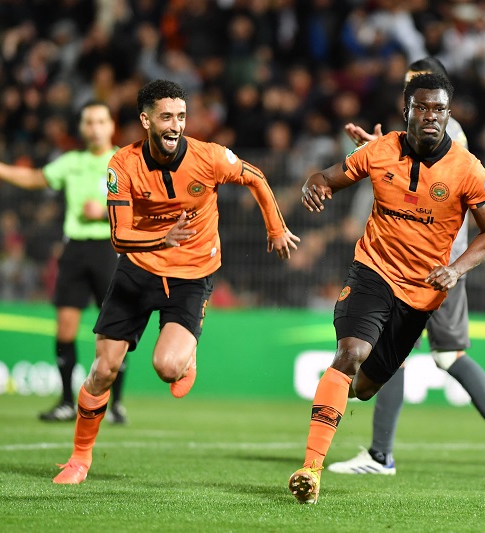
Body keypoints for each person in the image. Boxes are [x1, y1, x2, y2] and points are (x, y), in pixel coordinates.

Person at [52, 79, 299, 484]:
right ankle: (79, 459)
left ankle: (187, 349)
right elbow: (119, 236)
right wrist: (160, 239)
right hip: (137, 270)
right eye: (166, 117)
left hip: (192, 274)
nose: (175, 125)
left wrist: (276, 228)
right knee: (103, 370)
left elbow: (255, 176)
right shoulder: (122, 164)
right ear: (145, 120)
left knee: (167, 368)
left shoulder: (209, 157)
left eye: (181, 116)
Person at [289, 72, 485, 504]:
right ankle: (310, 469)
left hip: (421, 293)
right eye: (422, 107)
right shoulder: (380, 150)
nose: (431, 116)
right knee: (350, 353)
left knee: (363, 387)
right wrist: (315, 183)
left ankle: (334, 394)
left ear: (449, 114)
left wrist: (456, 269)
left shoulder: (467, 169)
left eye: (439, 109)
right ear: (406, 111)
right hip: (372, 272)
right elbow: (327, 177)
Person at [328, 57, 485, 480]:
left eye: (419, 88)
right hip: (427, 263)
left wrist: (455, 267)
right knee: (426, 353)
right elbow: (409, 164)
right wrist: (376, 147)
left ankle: (384, 454)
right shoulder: (414, 132)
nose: (418, 104)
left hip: (437, 265)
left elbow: (444, 176)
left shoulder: (450, 135)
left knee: (435, 354)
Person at [0, 102, 130, 424]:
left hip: (110, 248)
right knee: (65, 327)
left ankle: (116, 404)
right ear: (82, 128)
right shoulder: (72, 162)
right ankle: (66, 401)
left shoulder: (125, 161)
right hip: (75, 248)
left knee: (115, 329)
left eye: (100, 121)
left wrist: (107, 213)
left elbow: (142, 205)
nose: (95, 127)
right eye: (89, 122)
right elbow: (35, 178)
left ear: (111, 126)